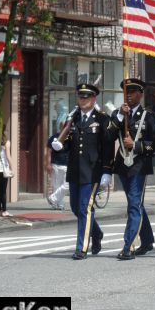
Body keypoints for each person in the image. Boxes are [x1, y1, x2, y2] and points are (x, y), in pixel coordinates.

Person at [51, 83, 113, 260]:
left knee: (85, 208)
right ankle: (97, 233)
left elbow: (107, 146)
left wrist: (107, 171)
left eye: (86, 97)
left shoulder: (101, 119)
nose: (82, 100)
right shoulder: (74, 118)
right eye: (80, 97)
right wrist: (60, 144)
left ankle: (82, 247)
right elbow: (70, 143)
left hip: (93, 171)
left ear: (94, 99)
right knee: (75, 207)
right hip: (75, 169)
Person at [109, 78, 155, 260]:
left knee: (133, 203)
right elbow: (108, 136)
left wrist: (137, 145)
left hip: (139, 165)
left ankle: (128, 245)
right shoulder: (118, 114)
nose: (129, 95)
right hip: (123, 164)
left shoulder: (148, 116)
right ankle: (147, 240)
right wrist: (120, 117)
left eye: (132, 92)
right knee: (136, 204)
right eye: (126, 92)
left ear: (140, 94)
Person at [46, 123, 70, 210]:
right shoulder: (54, 137)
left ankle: (53, 198)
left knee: (68, 184)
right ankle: (58, 204)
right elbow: (49, 151)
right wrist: (48, 164)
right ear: (61, 127)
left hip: (68, 165)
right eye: (63, 126)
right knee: (56, 185)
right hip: (56, 164)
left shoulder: (71, 138)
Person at [0, 124, 14, 217]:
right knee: (3, 190)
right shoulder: (6, 142)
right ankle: (4, 210)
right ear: (4, 131)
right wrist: (12, 168)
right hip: (3, 169)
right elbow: (8, 156)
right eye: (6, 130)